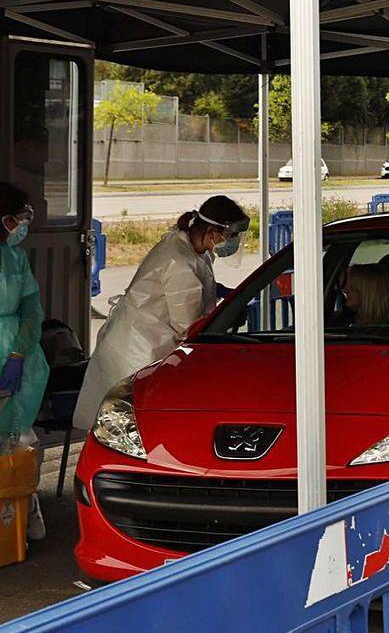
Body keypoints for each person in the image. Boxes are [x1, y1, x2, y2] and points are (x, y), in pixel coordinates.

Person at [75, 196, 249, 430]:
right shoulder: (179, 261)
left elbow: (193, 287)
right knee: (125, 426)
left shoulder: (195, 249)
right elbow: (188, 326)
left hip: (147, 340)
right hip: (139, 348)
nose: (233, 241)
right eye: (230, 235)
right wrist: (226, 315)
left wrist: (218, 291)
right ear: (212, 230)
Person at [0, 182, 50, 541]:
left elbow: (32, 308)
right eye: (20, 217)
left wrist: (17, 353)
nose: (23, 224)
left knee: (20, 441)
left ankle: (20, 516)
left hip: (20, 357)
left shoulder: (15, 257)